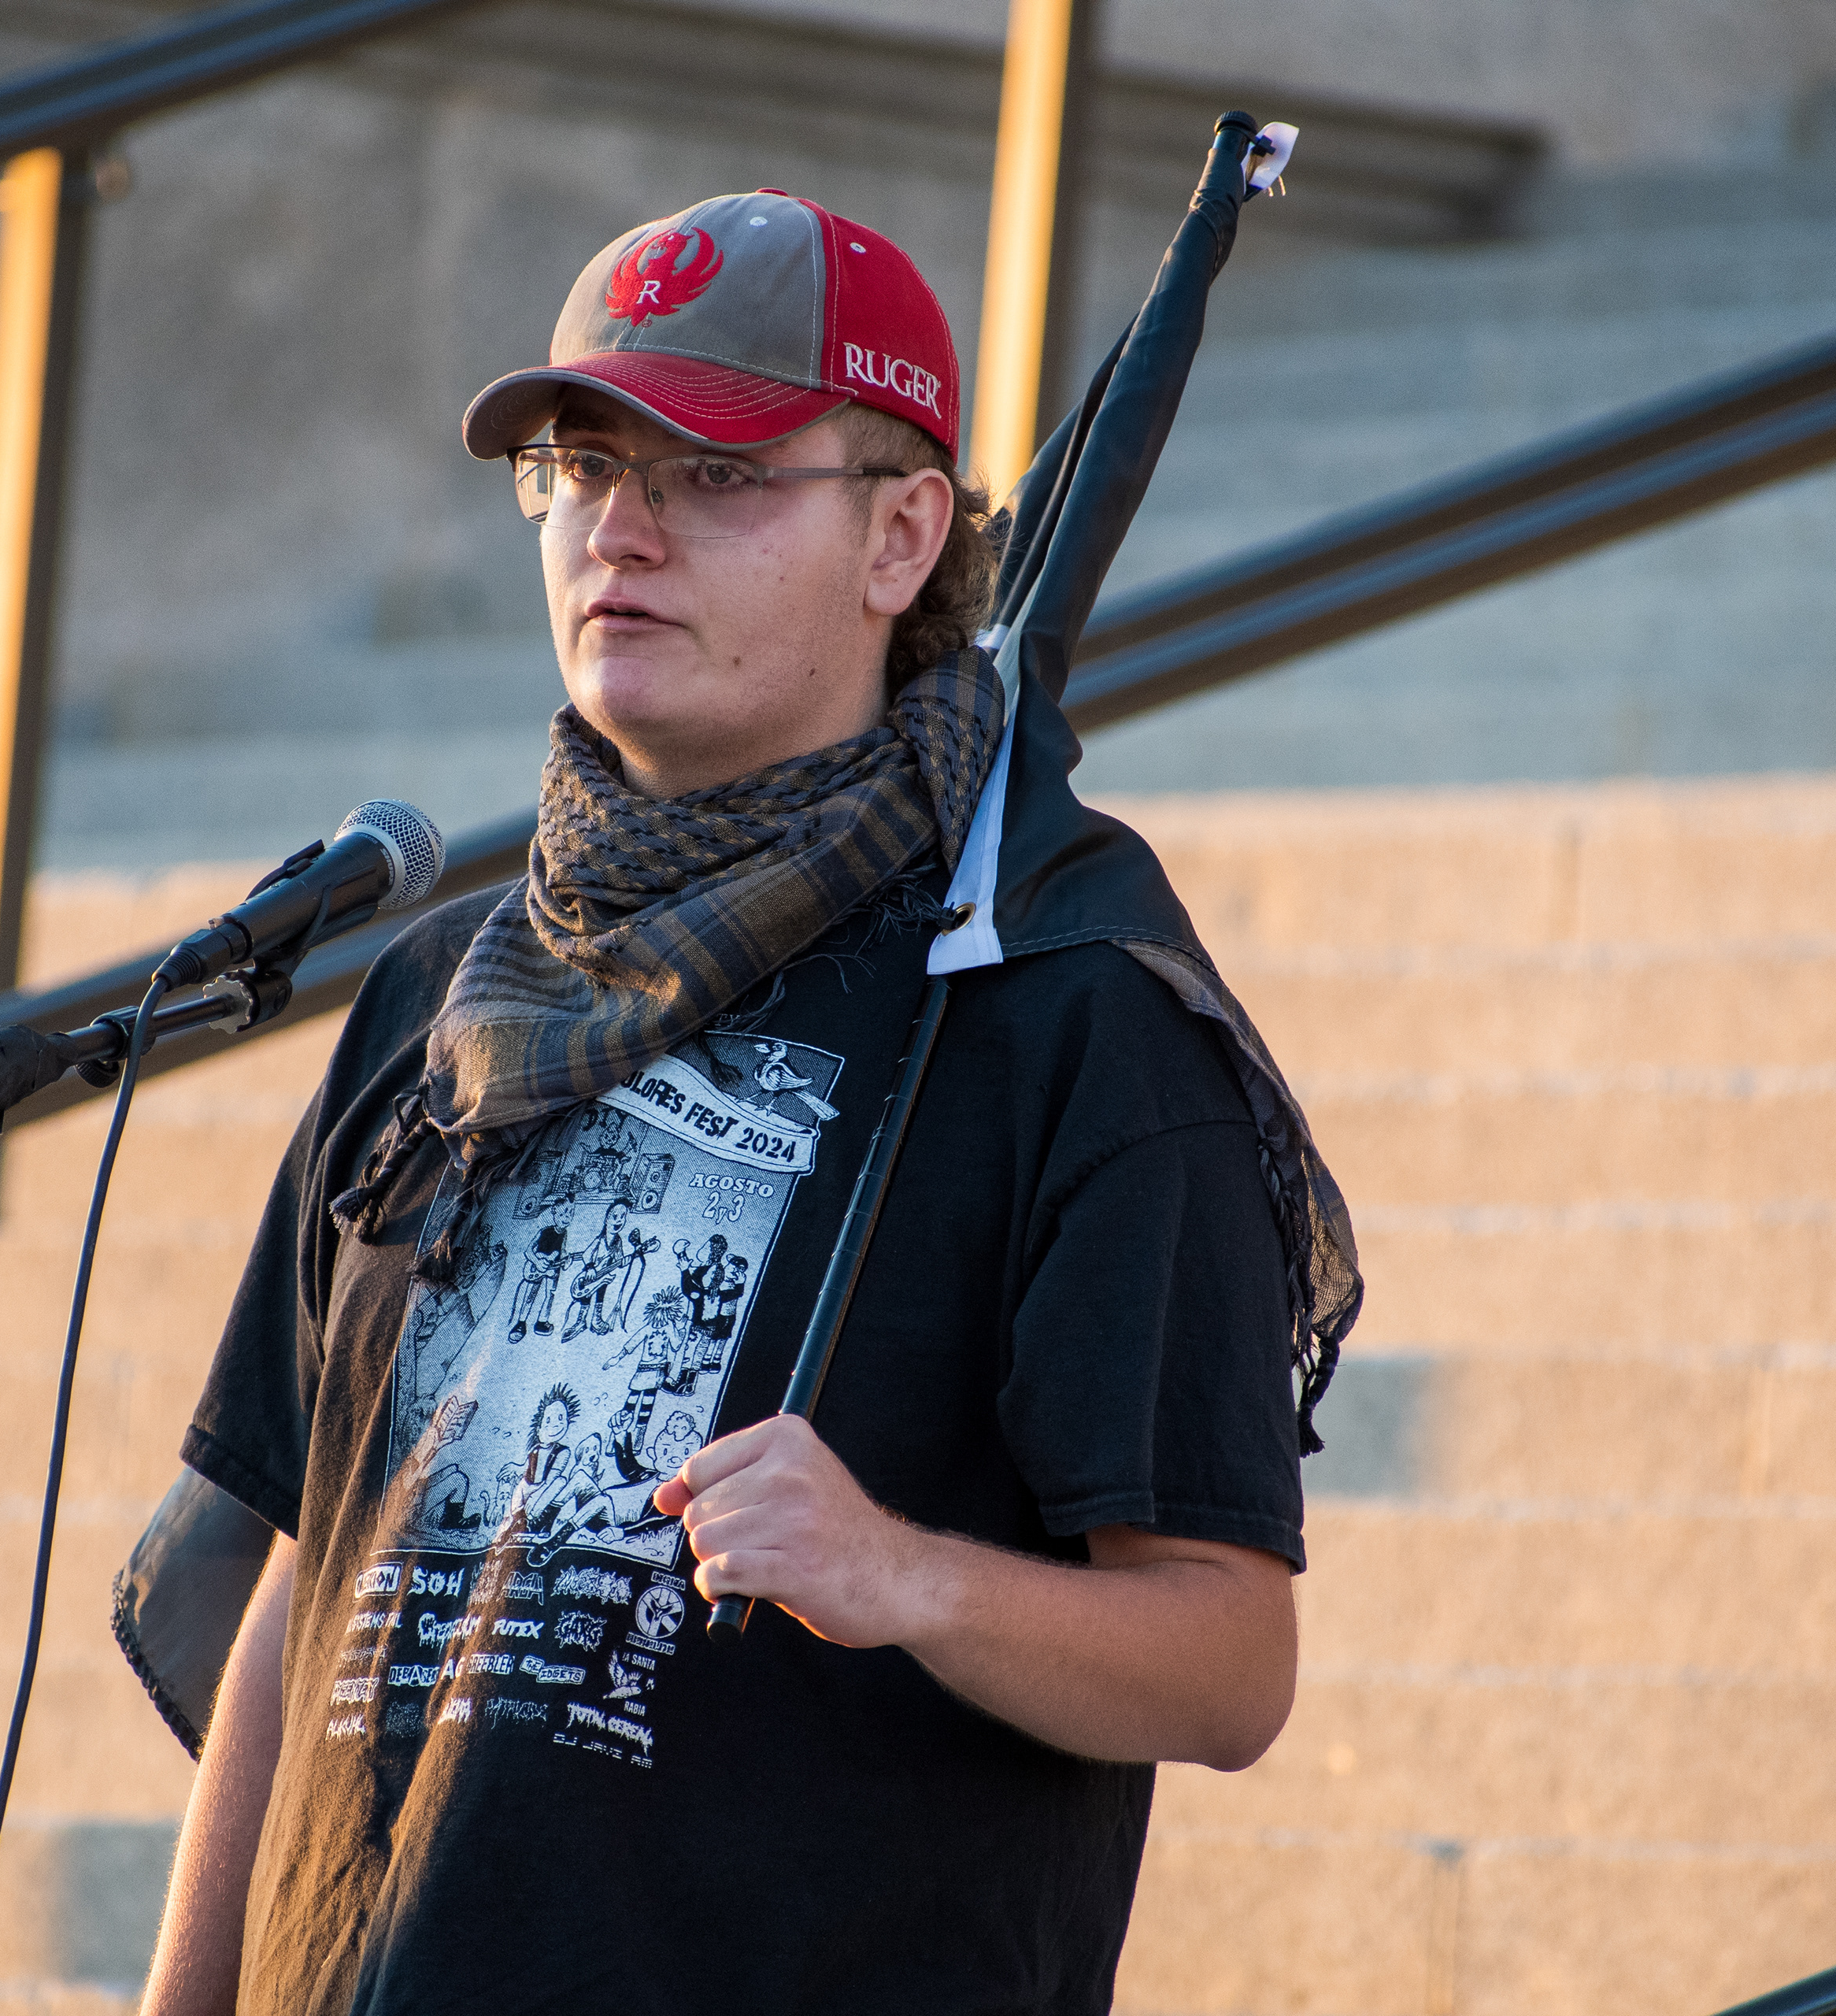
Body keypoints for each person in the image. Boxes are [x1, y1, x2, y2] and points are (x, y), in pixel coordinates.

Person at [135, 187, 1348, 2015]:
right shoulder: (441, 988)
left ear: (900, 534)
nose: (621, 526)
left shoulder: (1070, 996)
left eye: (716, 474)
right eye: (581, 462)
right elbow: (312, 1561)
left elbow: (1229, 1660)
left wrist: (900, 1571)